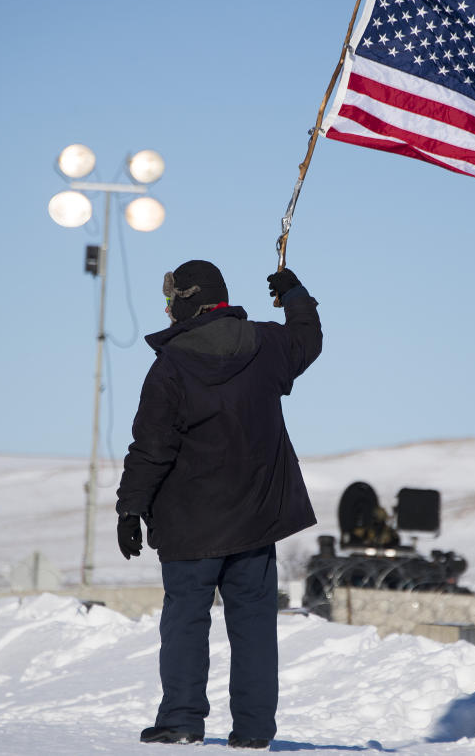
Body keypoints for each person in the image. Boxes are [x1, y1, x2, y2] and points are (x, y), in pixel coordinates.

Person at [115, 261, 322, 749]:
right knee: (253, 624)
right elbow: (307, 340)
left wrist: (130, 509)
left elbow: (151, 447)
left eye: (170, 302)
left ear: (187, 302)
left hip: (190, 525)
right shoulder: (266, 345)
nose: (167, 311)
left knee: (187, 618)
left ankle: (182, 721)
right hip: (255, 521)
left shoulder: (171, 366)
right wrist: (294, 293)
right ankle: (253, 732)